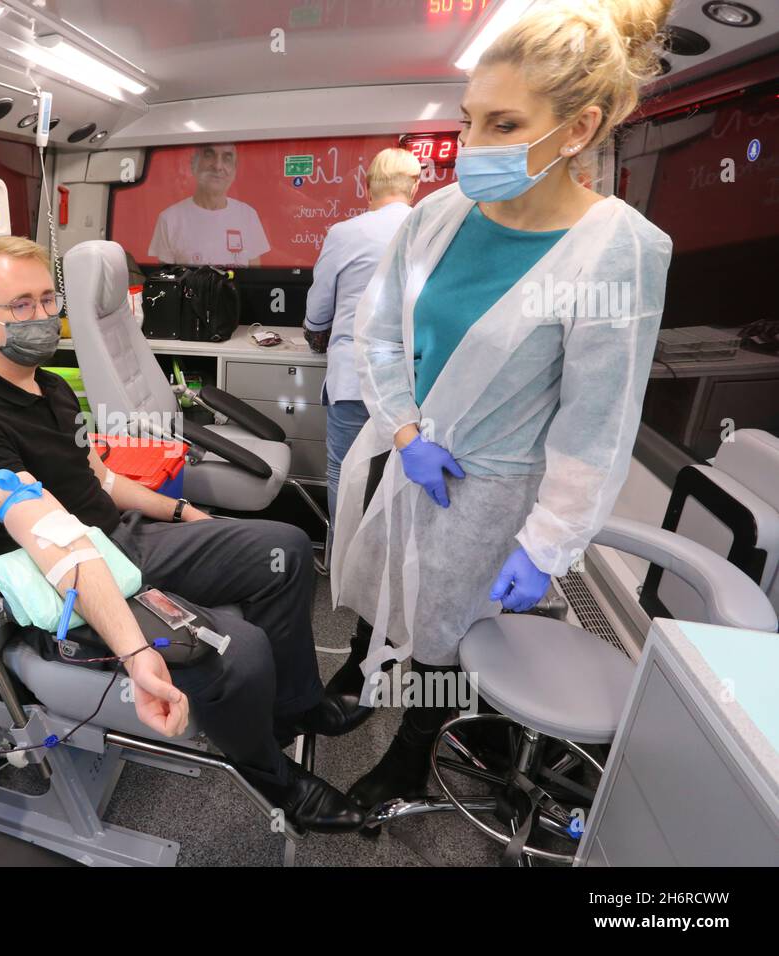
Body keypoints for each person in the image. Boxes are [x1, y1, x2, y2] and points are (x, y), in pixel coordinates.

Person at [328, 0, 675, 815]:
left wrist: (550, 543)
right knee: (378, 578)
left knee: (447, 635)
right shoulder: (440, 215)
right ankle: (361, 667)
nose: (472, 146)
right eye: (469, 120)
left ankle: (411, 760)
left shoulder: (617, 249)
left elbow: (599, 421)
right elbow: (379, 336)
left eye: (504, 122)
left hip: (493, 495)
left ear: (578, 128)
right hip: (404, 451)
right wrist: (407, 429)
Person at [0, 236, 364, 832]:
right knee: (238, 653)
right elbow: (59, 545)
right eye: (21, 306)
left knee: (285, 549)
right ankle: (272, 775)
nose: (41, 317)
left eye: (45, 300)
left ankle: (294, 706)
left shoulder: (53, 388)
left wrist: (186, 514)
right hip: (80, 581)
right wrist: (136, 653)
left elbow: (104, 481)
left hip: (127, 539)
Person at [305, 148, 421, 527]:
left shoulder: (345, 233)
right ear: (415, 186)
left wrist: (319, 334)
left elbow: (318, 312)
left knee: (346, 473)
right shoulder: (432, 229)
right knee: (405, 480)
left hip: (356, 381)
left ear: (368, 187)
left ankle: (344, 571)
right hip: (416, 386)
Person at [147, 143, 270, 267]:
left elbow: (254, 278)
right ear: (193, 163)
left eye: (227, 158)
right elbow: (167, 279)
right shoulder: (169, 219)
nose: (217, 166)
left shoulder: (248, 215)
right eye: (209, 155)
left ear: (235, 169)